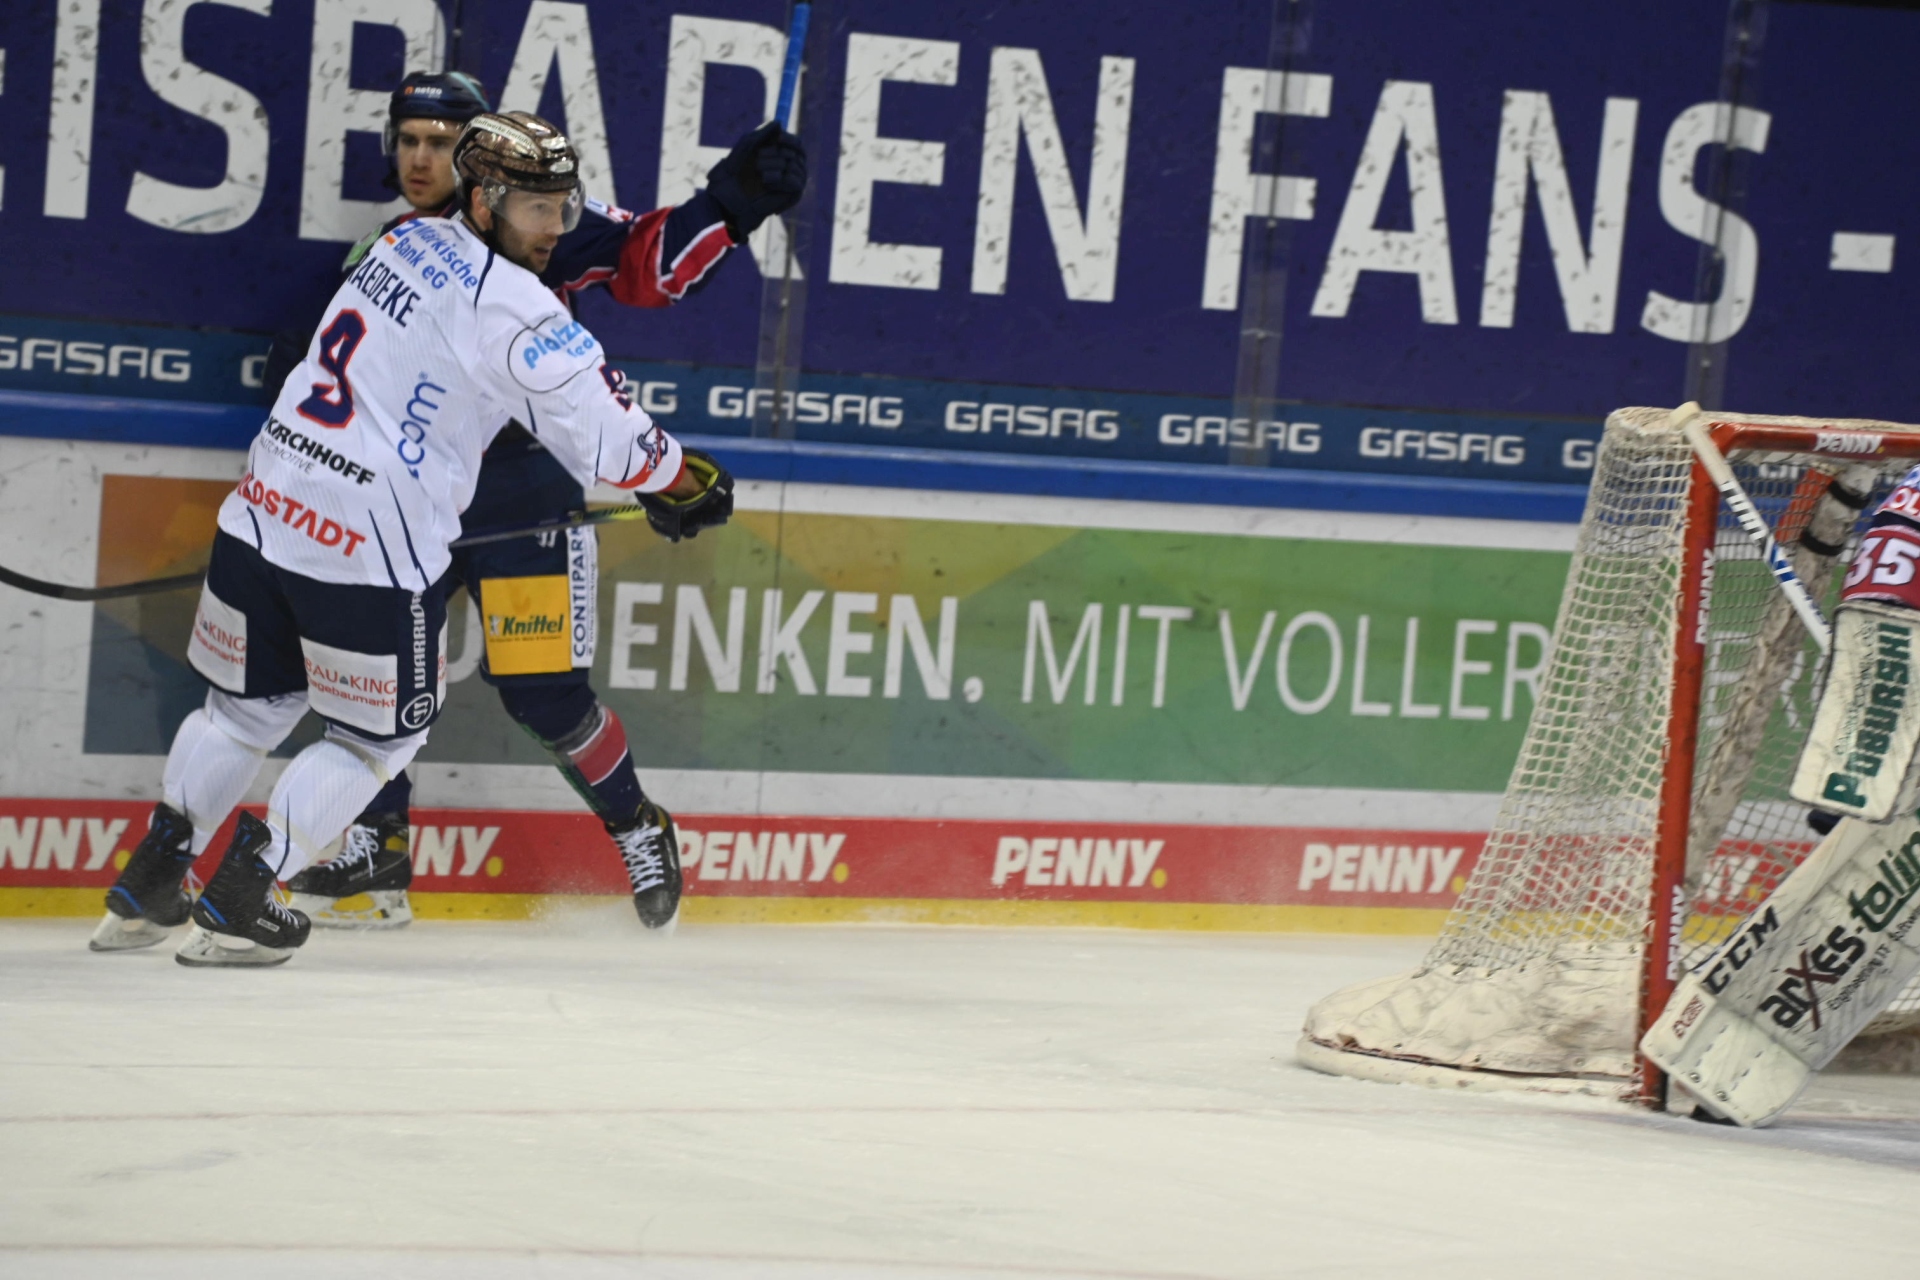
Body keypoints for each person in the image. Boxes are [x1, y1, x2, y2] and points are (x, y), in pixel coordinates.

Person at [91, 111, 736, 965]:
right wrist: (687, 484)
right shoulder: (514, 307)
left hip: (265, 509)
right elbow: (616, 442)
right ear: (482, 200)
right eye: (534, 208)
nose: (555, 228)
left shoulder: (405, 241)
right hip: (363, 547)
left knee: (243, 711)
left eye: (561, 207)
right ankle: (248, 891)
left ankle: (149, 887)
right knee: (376, 740)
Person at [258, 73, 804, 930]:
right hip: (408, 504)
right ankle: (378, 847)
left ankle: (636, 823)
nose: (422, 158)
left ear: (483, 164)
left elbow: (648, 262)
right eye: (409, 140)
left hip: (523, 499)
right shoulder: (390, 248)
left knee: (543, 693)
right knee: (383, 686)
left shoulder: (540, 223)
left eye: (442, 142)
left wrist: (729, 204)